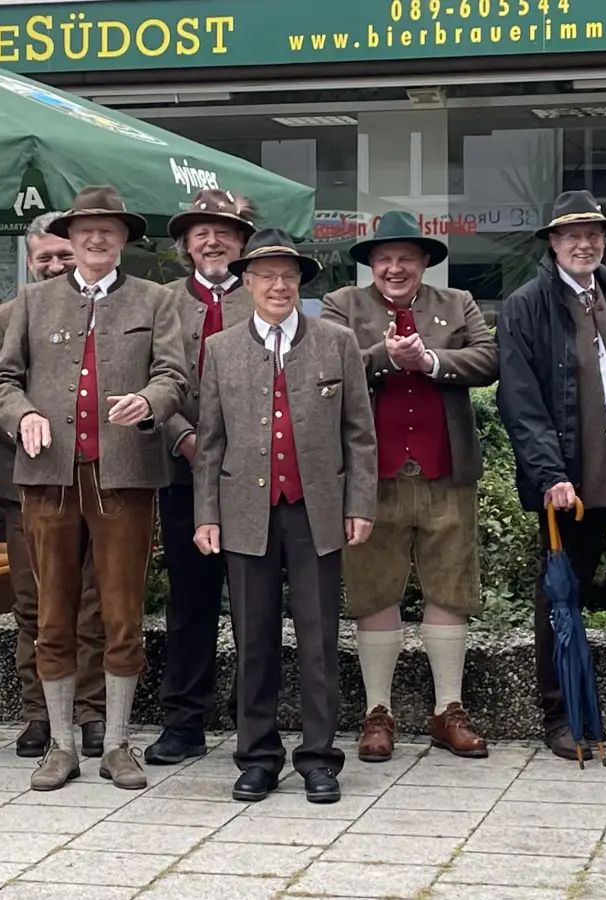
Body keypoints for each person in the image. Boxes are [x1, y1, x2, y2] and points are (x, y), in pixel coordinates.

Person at [0, 185, 187, 792]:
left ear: (124, 238)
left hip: (123, 479)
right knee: (52, 615)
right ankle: (61, 743)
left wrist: (149, 401)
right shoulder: (33, 300)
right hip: (49, 481)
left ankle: (119, 743)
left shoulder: (154, 300)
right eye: (85, 230)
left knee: (122, 614)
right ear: (69, 239)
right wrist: (21, 415)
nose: (96, 239)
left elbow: (174, 375)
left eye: (108, 230)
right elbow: (0, 381)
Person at [192, 228, 376, 804]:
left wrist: (360, 504)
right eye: (266, 275)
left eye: (288, 276)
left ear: (301, 284)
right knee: (253, 638)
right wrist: (207, 514)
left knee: (320, 638)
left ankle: (320, 757)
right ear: (246, 283)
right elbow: (210, 442)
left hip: (315, 510)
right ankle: (258, 756)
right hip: (246, 510)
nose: (278, 285)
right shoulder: (221, 348)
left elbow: (360, 435)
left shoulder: (336, 342)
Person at [320, 209, 497, 763]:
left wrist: (431, 360)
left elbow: (489, 359)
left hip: (446, 471)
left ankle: (449, 709)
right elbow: (327, 366)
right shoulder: (341, 306)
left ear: (424, 263)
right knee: (374, 590)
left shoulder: (457, 303)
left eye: (406, 258)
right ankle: (379, 712)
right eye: (384, 258)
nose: (394, 268)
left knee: (450, 587)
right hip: (372, 477)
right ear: (371, 263)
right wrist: (383, 359)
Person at [496, 190, 606, 760]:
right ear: (553, 243)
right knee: (560, 590)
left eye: (594, 234)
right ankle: (559, 714)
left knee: (591, 584)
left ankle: (587, 707)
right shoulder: (527, 303)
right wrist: (549, 472)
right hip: (567, 472)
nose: (586, 244)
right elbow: (521, 397)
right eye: (573, 235)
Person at [0, 213, 107, 760]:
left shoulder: (109, 311)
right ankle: (38, 712)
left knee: (95, 603)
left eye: (65, 256)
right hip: (29, 485)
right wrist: (26, 420)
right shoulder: (8, 316)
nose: (57, 266)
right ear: (29, 261)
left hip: (99, 485)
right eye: (46, 259)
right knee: (34, 606)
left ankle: (92, 711)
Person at [146, 189, 257, 767]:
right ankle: (183, 720)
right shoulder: (162, 302)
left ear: (242, 241)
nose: (212, 241)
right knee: (190, 600)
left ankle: (252, 719)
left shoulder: (266, 294)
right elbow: (149, 378)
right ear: (185, 245)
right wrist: (184, 438)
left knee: (254, 600)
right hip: (183, 469)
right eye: (200, 233)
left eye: (225, 232)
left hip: (256, 477)